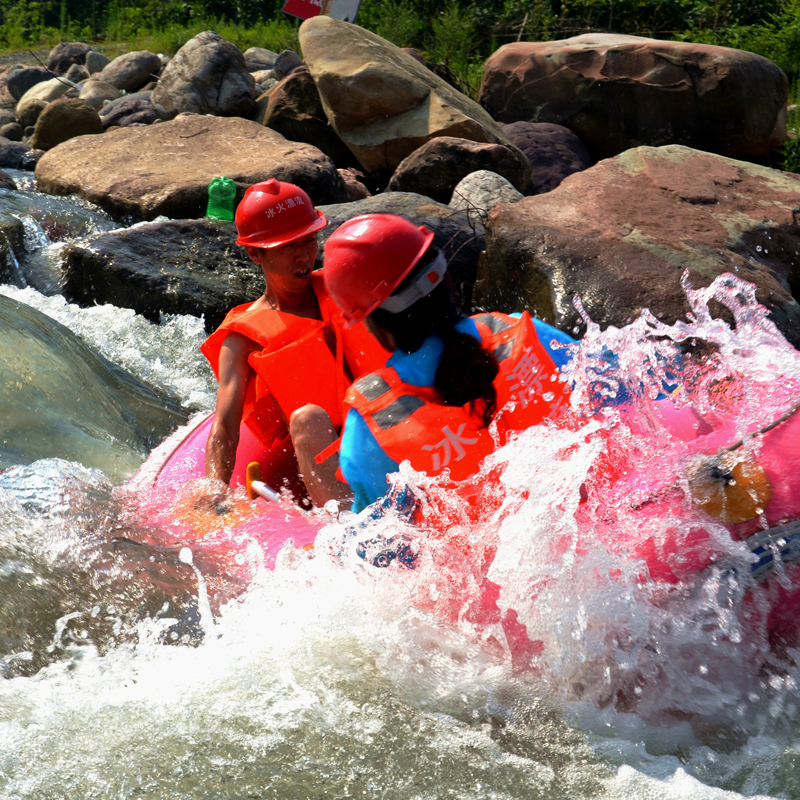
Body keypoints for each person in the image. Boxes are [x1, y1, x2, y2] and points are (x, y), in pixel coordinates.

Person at [321, 213, 577, 513]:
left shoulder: (373, 420)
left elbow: (378, 546)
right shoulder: (524, 336)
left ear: (377, 325)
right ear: (447, 281)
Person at [200, 179, 389, 506]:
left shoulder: (345, 286)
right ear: (255, 253)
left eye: (310, 240)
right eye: (288, 247)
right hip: (324, 454)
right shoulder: (241, 337)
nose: (303, 256)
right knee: (307, 419)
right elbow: (226, 429)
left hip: (387, 429)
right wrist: (214, 493)